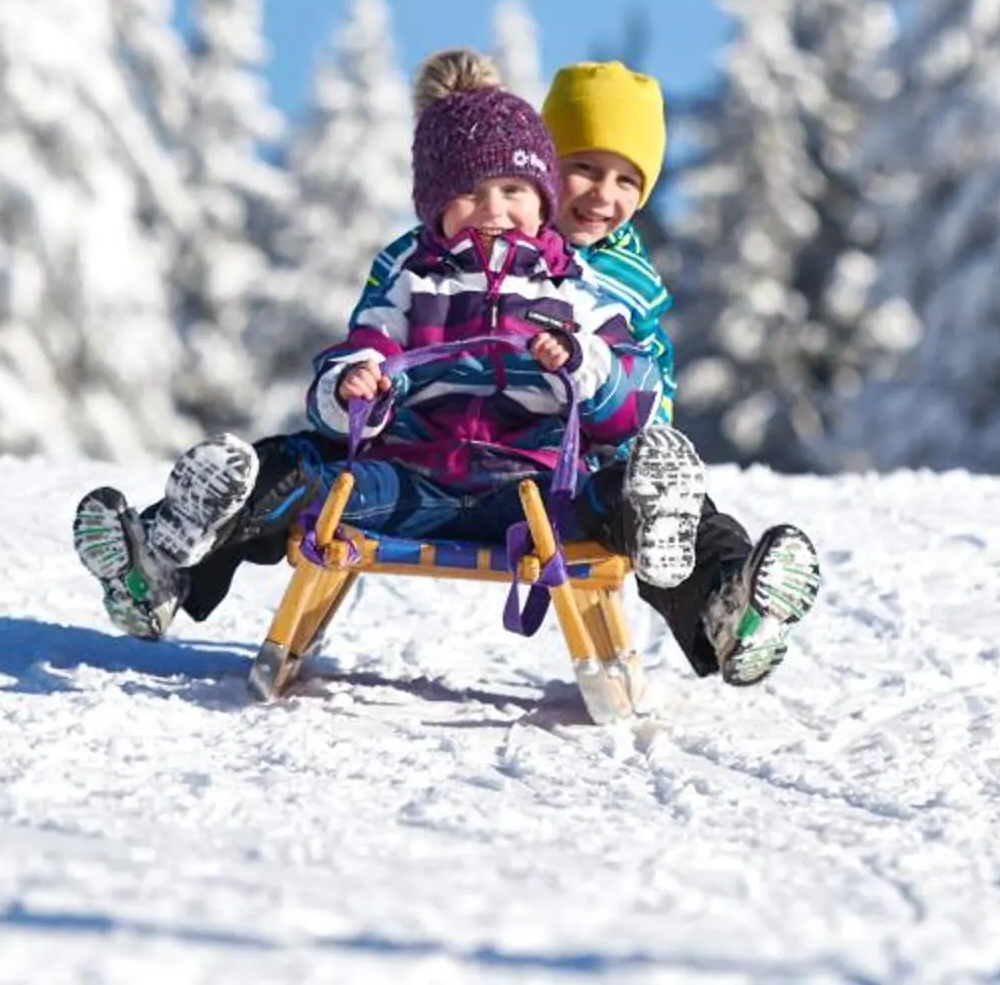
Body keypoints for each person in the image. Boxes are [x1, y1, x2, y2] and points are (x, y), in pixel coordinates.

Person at [73, 50, 707, 643]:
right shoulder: (414, 271)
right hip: (413, 474)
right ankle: (164, 551)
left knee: (624, 491)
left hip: (532, 487)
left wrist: (585, 368)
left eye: (513, 191)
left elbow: (641, 383)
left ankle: (689, 563)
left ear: (538, 195)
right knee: (302, 470)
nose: (493, 210)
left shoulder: (580, 284)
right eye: (469, 193)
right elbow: (365, 343)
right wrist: (353, 383)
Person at [535, 60, 822, 689]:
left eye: (626, 179)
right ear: (542, 163)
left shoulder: (631, 284)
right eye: (583, 166)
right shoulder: (507, 256)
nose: (602, 195)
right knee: (650, 511)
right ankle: (720, 598)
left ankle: (734, 599)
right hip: (516, 465)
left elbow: (645, 383)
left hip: (596, 469)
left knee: (669, 512)